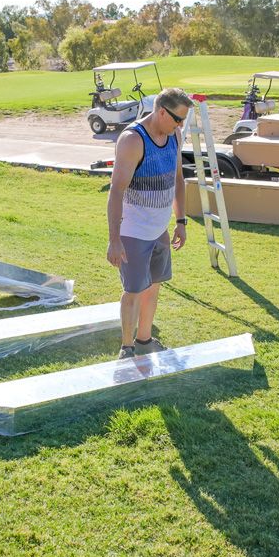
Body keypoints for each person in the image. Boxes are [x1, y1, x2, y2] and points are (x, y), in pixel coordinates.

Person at [106, 88, 191, 359]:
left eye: (183, 121)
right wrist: (115, 239)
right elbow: (116, 190)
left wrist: (180, 220)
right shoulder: (133, 140)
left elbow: (178, 179)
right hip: (133, 233)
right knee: (132, 291)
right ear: (161, 111)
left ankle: (144, 340)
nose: (181, 125)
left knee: (153, 287)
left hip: (160, 231)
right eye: (178, 119)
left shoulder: (174, 135)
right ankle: (127, 348)